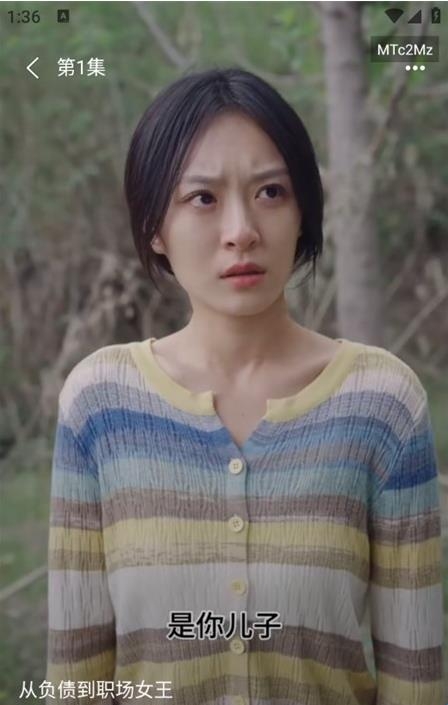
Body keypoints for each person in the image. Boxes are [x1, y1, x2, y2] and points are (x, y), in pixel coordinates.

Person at [46, 67, 444, 705]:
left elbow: (415, 677)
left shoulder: (381, 404)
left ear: (303, 211)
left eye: (271, 192)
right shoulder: (101, 404)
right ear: (154, 227)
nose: (241, 230)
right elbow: (76, 677)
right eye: (202, 198)